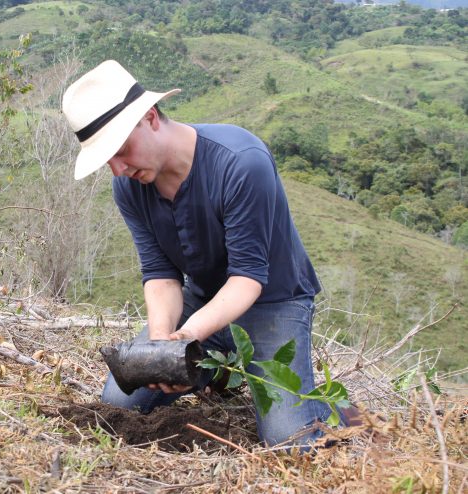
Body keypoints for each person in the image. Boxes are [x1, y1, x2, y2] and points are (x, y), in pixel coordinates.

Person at [61, 59, 334, 448]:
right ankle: (219, 372)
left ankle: (339, 414)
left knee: (289, 439)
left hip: (274, 301)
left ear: (150, 118)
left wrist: (186, 338)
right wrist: (161, 344)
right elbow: (160, 274)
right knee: (119, 406)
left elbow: (247, 278)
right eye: (109, 160)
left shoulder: (240, 162)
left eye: (122, 150)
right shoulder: (129, 187)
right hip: (203, 299)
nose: (119, 170)